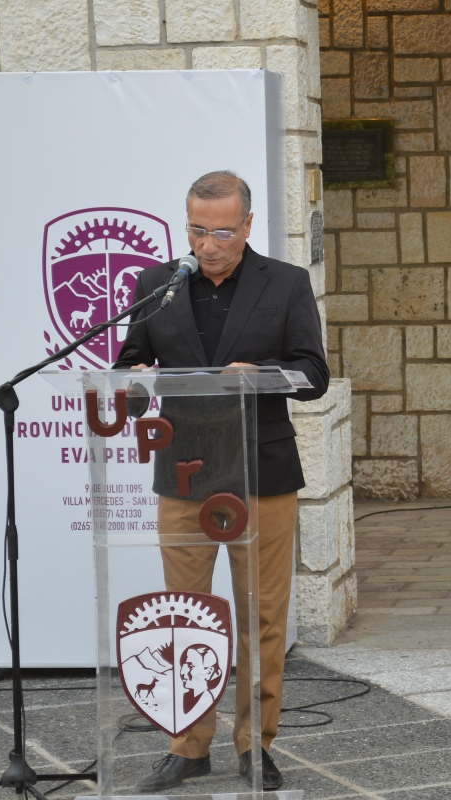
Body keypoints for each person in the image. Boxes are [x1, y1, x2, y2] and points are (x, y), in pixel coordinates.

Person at [116, 171, 330, 790]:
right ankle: (188, 746)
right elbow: (131, 366)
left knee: (259, 615)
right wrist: (127, 385)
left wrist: (257, 371)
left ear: (247, 227)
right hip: (185, 471)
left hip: (260, 473)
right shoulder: (157, 285)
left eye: (222, 231)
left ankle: (253, 744)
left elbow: (312, 373)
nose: (208, 243)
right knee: (185, 615)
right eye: (197, 230)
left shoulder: (285, 284)